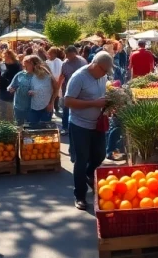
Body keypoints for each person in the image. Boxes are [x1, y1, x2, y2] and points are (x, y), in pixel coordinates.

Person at [64, 52, 112, 210]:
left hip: (96, 124)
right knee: (81, 159)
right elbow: (68, 101)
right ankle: (80, 196)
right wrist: (93, 103)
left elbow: (102, 95)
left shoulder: (102, 76)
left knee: (100, 155)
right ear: (95, 65)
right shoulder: (79, 77)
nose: (105, 74)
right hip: (79, 125)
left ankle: (87, 174)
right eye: (104, 71)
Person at [60, 47, 87, 134]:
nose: (68, 57)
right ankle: (65, 127)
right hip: (68, 90)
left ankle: (77, 128)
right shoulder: (65, 63)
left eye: (70, 55)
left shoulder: (82, 62)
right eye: (67, 55)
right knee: (66, 109)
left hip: (80, 91)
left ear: (75, 53)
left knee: (78, 110)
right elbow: (62, 76)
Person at [26, 56, 55, 125]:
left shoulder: (45, 74)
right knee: (33, 129)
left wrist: (51, 103)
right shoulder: (30, 75)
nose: (26, 68)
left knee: (44, 131)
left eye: (27, 65)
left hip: (45, 107)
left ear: (33, 65)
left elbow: (53, 88)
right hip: (34, 106)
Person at [0, 51, 22, 121]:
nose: (5, 58)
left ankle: (12, 125)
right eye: (4, 56)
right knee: (2, 109)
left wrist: (2, 78)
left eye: (6, 56)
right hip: (2, 88)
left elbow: (17, 78)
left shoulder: (17, 65)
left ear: (11, 56)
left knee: (11, 110)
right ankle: (2, 125)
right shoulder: (2, 64)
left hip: (12, 90)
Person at [7, 56, 33, 126]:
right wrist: (11, 89)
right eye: (24, 65)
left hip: (31, 107)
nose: (25, 67)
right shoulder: (20, 74)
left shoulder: (37, 76)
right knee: (19, 126)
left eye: (28, 65)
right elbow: (11, 86)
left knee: (30, 127)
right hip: (19, 106)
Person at [46, 47, 65, 118]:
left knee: (55, 95)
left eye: (50, 53)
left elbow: (57, 73)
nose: (48, 55)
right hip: (50, 82)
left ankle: (55, 107)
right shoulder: (48, 61)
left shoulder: (58, 62)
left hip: (56, 82)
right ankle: (51, 110)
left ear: (54, 54)